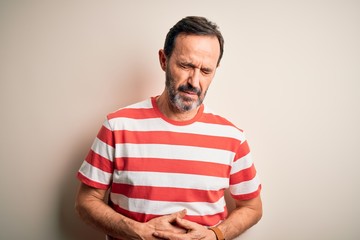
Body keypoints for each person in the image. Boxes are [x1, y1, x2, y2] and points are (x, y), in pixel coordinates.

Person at [75, 16, 262, 240]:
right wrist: (138, 232)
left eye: (205, 71)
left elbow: (252, 208)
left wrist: (215, 235)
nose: (194, 81)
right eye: (186, 65)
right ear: (164, 60)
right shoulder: (118, 126)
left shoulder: (232, 138)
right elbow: (85, 202)